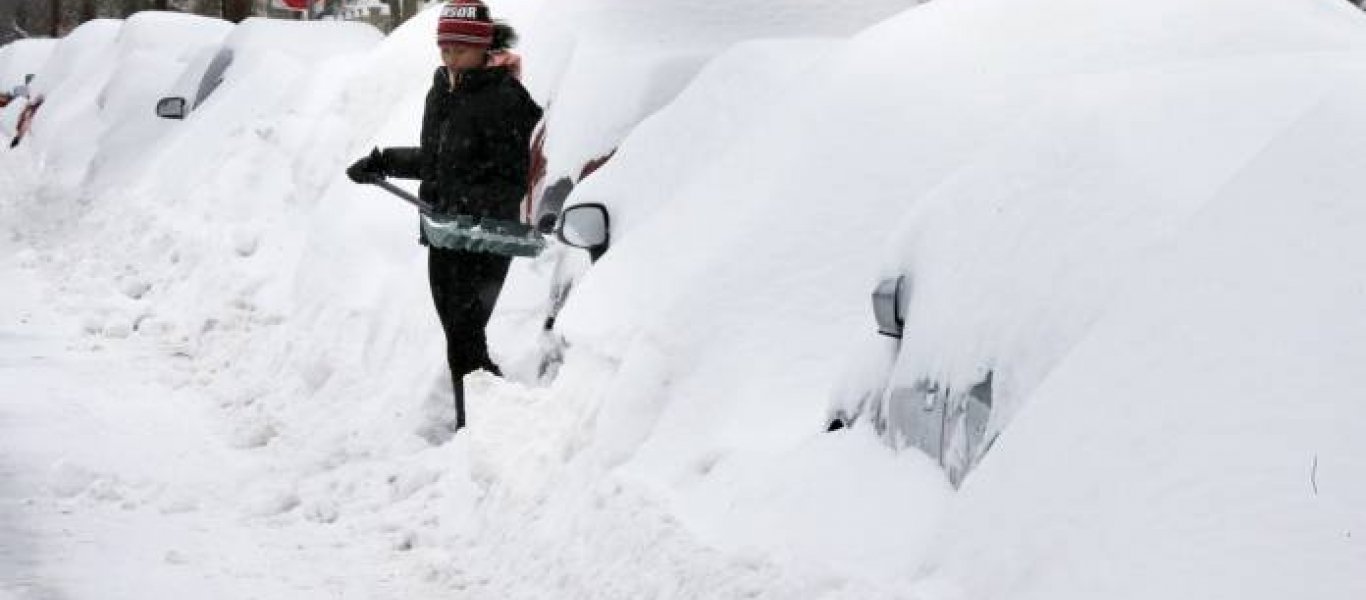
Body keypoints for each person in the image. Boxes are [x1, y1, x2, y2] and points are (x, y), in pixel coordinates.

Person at [346, 0, 543, 431]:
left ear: (482, 46)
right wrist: (383, 162)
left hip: (484, 237)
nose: (449, 58)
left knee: (465, 336)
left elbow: (511, 180)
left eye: (458, 50)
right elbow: (439, 161)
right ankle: (481, 422)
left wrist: (465, 204)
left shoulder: (506, 99)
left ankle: (481, 428)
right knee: (459, 336)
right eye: (444, 49)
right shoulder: (443, 88)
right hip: (443, 231)